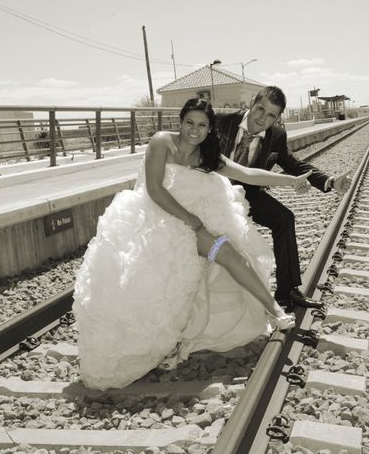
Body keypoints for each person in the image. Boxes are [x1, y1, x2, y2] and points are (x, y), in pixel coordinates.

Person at [73, 98, 314, 390]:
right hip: (156, 222)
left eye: (202, 125)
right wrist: (190, 219)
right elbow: (154, 189)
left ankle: (275, 310)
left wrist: (291, 181)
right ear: (180, 121)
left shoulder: (207, 156)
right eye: (190, 122)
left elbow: (247, 174)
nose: (194, 130)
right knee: (162, 282)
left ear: (210, 129)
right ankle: (167, 339)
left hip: (191, 227)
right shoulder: (162, 142)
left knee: (229, 254)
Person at [216, 86, 352, 310]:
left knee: (284, 218)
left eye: (272, 115)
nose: (263, 118)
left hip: (249, 194)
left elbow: (292, 164)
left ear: (277, 118)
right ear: (252, 103)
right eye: (261, 109)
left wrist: (329, 181)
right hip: (214, 191)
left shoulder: (276, 136)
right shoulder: (223, 122)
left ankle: (287, 291)